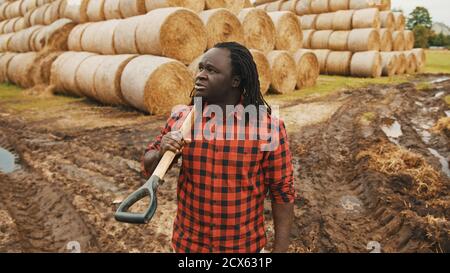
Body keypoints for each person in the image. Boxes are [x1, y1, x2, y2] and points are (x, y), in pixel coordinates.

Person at [142, 42, 295, 253]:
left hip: (242, 250)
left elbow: (282, 193)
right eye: (201, 68)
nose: (200, 75)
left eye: (211, 70)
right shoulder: (181, 119)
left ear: (235, 81)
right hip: (189, 247)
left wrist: (279, 250)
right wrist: (162, 152)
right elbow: (149, 169)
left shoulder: (268, 128)